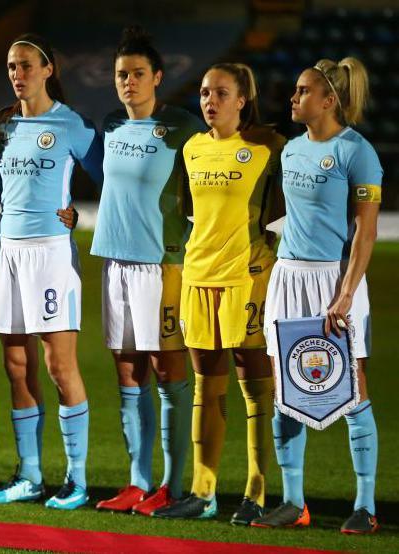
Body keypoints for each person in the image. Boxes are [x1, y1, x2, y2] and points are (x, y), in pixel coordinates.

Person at [252, 57, 382, 535]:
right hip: (288, 278)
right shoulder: (289, 151)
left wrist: (346, 292)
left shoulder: (357, 151)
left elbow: (365, 233)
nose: (293, 97)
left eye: (304, 91)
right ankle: (293, 502)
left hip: (334, 279)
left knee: (351, 387)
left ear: (329, 100)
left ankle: (365, 506)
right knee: (286, 387)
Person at [153, 63, 284, 524]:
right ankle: (202, 492)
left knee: (255, 382)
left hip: (248, 278)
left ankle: (257, 492)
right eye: (205, 93)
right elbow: (192, 214)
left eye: (221, 93)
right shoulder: (191, 149)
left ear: (243, 99)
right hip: (198, 275)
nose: (210, 101)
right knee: (205, 382)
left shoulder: (268, 147)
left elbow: (285, 214)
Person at [0, 34, 102, 510]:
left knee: (58, 365)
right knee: (15, 366)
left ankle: (77, 480)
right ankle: (29, 476)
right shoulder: (2, 128)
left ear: (49, 69)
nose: (17, 73)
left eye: (27, 64)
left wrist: (81, 214)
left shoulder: (70, 124)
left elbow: (110, 176)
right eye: (11, 66)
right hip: (9, 251)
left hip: (50, 255)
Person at [88, 27, 202, 515]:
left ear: (157, 77)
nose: (128, 82)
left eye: (137, 74)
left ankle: (174, 487)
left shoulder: (183, 128)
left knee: (168, 368)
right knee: (128, 370)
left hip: (162, 264)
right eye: (121, 75)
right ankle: (138, 482)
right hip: (115, 260)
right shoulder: (112, 124)